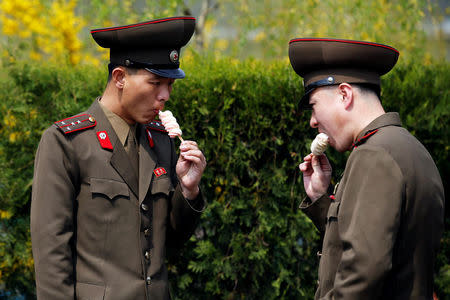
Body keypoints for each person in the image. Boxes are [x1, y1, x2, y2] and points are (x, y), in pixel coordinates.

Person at [30, 16, 206, 300]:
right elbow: (52, 257)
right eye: (156, 82)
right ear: (120, 78)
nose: (165, 96)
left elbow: (169, 243)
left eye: (170, 85)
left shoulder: (161, 141)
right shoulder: (67, 144)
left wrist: (188, 190)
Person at [289, 38, 444, 299]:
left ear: (345, 94)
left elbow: (361, 274)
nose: (313, 122)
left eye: (314, 107)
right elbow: (376, 244)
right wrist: (319, 198)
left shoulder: (372, 155)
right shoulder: (408, 146)